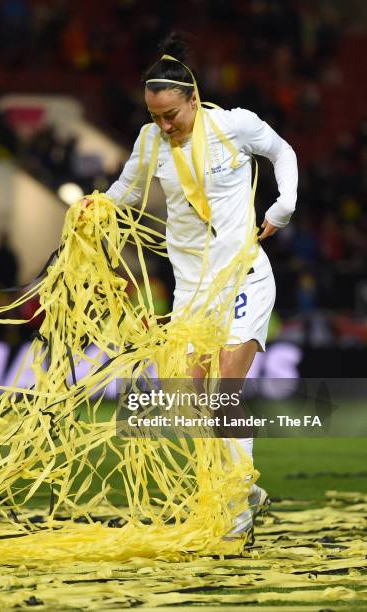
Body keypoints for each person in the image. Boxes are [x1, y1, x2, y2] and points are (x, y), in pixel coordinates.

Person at [82, 32, 298, 536]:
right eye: (154, 115)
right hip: (192, 290)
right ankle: (248, 489)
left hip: (243, 275)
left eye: (171, 115)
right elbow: (125, 191)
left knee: (224, 391)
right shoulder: (149, 140)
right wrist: (97, 208)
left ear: (194, 99)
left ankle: (237, 507)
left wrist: (284, 203)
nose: (164, 124)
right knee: (193, 398)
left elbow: (283, 152)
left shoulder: (234, 125)